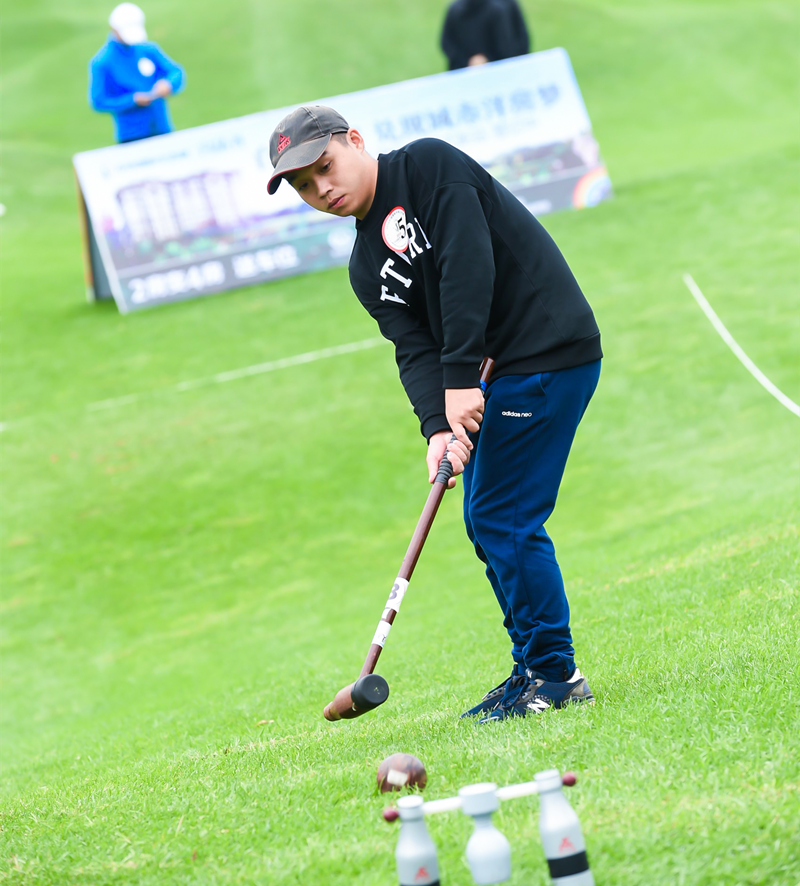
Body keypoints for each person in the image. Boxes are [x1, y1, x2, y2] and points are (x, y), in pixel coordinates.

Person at [267, 107, 601, 723]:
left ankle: (556, 675)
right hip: (497, 375)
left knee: (503, 516)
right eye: (305, 186)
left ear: (355, 141)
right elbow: (413, 347)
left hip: (546, 351)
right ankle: (532, 667)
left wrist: (461, 380)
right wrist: (437, 426)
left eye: (326, 167)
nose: (322, 189)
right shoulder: (365, 267)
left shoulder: (429, 166)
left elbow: (467, 265)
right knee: (485, 519)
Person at [88, 3, 185, 144]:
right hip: (131, 136)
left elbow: (176, 72)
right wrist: (132, 100)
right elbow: (99, 101)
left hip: (162, 127)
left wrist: (168, 84)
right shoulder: (101, 62)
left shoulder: (147, 49)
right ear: (113, 29)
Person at [441, 0, 530, 70]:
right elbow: (447, 42)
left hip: (494, 72)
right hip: (473, 72)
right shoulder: (455, 9)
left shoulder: (499, 8)